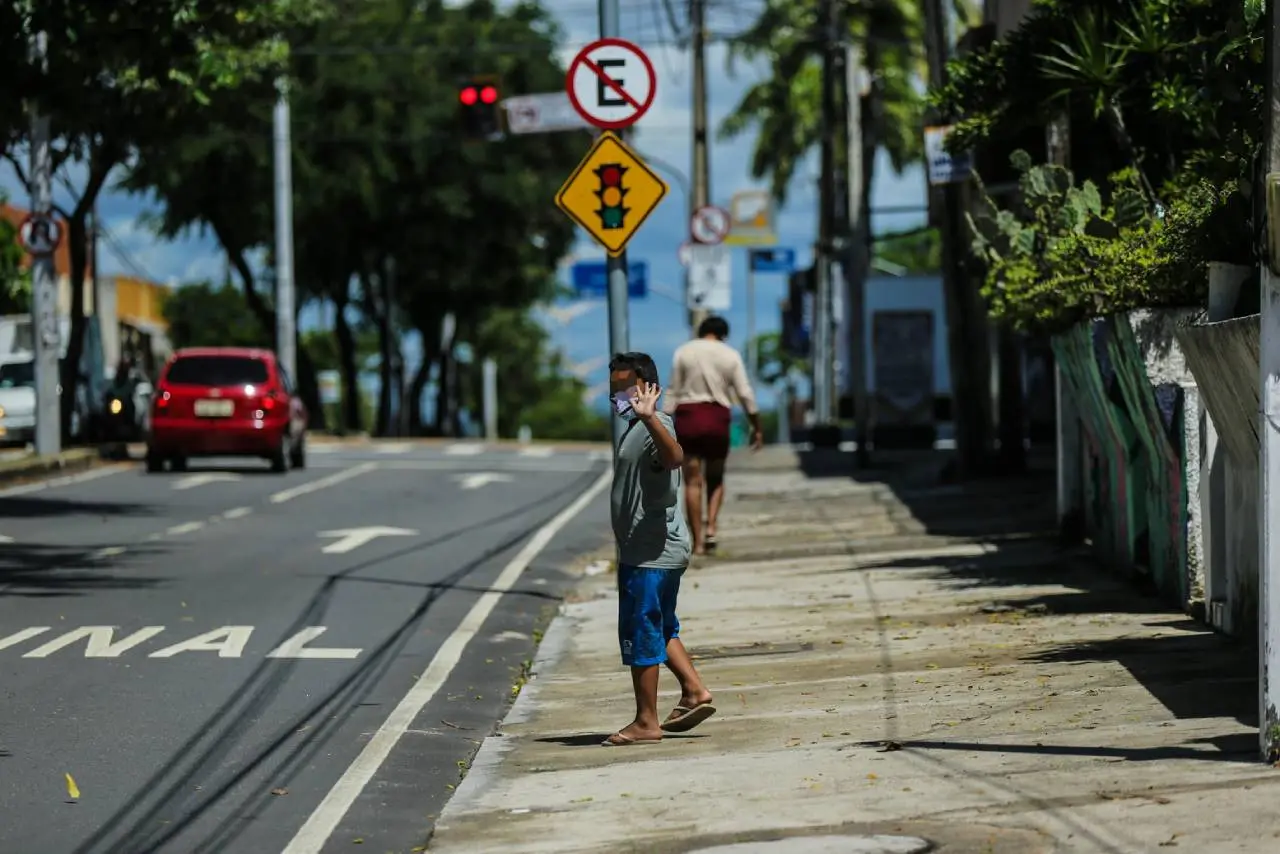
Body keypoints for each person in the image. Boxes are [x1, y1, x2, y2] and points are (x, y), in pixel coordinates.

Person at [604, 351, 716, 747]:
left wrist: (651, 416)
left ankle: (646, 721)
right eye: (614, 388)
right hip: (653, 550)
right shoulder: (637, 427)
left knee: (642, 630)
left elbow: (674, 458)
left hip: (651, 553)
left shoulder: (655, 425)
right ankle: (694, 691)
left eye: (626, 388)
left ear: (649, 389)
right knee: (661, 625)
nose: (618, 396)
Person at [665, 316, 763, 555]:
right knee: (716, 477)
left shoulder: (683, 352)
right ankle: (712, 527)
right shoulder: (730, 355)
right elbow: (745, 393)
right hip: (717, 417)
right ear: (724, 334)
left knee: (692, 481)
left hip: (688, 417)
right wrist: (756, 426)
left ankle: (697, 542)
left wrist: (663, 425)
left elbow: (672, 391)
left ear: (700, 331)